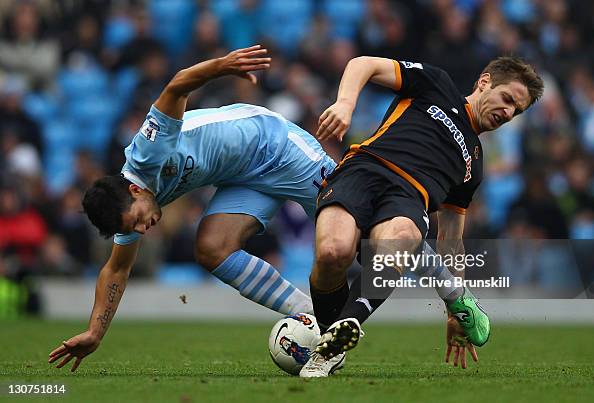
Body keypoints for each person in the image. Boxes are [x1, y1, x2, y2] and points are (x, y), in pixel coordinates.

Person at [47, 45, 340, 372]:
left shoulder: (148, 151)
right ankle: (317, 318)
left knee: (362, 239)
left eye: (138, 222)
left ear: (134, 189)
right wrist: (95, 333)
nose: (143, 230)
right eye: (134, 230)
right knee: (212, 248)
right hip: (244, 179)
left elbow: (177, 85)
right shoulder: (130, 207)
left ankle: (363, 303)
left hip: (279, 148)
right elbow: (115, 270)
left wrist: (223, 65)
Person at [299, 55, 544, 377]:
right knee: (333, 253)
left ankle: (345, 329)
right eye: (508, 99)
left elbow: (451, 241)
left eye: (517, 111)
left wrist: (454, 310)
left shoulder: (474, 164)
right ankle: (331, 335)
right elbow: (363, 64)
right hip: (363, 170)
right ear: (484, 82)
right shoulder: (436, 84)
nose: (508, 112)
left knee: (403, 237)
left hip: (407, 198)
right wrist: (345, 104)